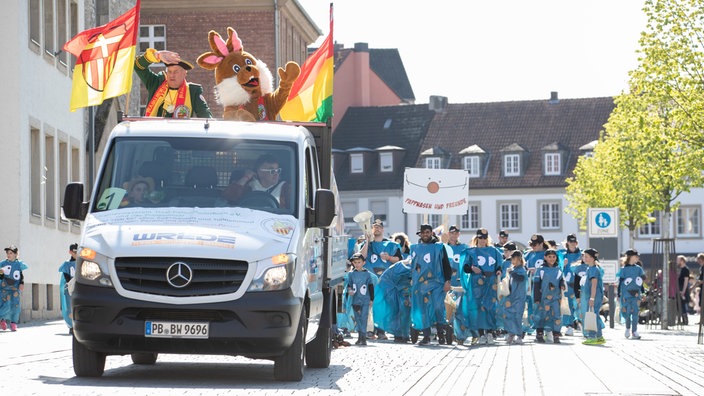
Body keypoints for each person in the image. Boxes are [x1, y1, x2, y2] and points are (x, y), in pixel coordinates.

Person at [134, 48, 212, 118]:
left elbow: (207, 119)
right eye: (169, 71)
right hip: (152, 133)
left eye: (176, 72)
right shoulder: (157, 82)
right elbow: (138, 67)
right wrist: (157, 55)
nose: (172, 75)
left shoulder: (193, 92)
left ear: (184, 73)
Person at [409, 224, 452, 345]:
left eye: (427, 232)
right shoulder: (415, 248)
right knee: (422, 309)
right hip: (420, 284)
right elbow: (412, 266)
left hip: (437, 282)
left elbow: (446, 265)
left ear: (431, 233)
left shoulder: (439, 248)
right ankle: (426, 336)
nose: (425, 234)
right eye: (423, 232)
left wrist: (447, 281)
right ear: (420, 234)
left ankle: (440, 333)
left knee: (438, 307)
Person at [465, 228, 504, 345]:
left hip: (491, 282)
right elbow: (465, 267)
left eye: (484, 238)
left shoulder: (494, 251)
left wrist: (498, 271)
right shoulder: (471, 252)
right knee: (478, 307)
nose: (482, 240)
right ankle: (481, 334)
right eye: (480, 238)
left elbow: (499, 265)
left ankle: (490, 332)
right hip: (477, 283)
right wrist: (472, 268)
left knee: (491, 307)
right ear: (477, 238)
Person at [223, 154, 291, 208]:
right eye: (272, 171)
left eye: (278, 170)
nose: (276, 174)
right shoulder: (249, 186)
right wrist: (246, 177)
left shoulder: (285, 188)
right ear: (260, 172)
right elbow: (229, 197)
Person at [531, 249, 566, 344]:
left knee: (556, 315)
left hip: (555, 297)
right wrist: (536, 298)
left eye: (554, 257)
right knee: (542, 315)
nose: (552, 259)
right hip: (543, 298)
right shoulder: (541, 270)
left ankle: (556, 335)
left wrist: (562, 285)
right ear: (545, 257)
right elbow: (536, 284)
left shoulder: (558, 269)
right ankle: (539, 334)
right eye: (549, 257)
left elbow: (561, 279)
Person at [445, 225, 470, 345]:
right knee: (447, 310)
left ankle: (459, 335)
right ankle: (448, 332)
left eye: (456, 233)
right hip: (447, 284)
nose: (454, 235)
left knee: (460, 310)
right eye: (452, 233)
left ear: (459, 234)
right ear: (448, 234)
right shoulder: (443, 248)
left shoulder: (464, 248)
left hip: (460, 284)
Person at [345, 253, 375, 346]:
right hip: (355, 300)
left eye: (359, 262)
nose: (357, 264)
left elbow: (370, 286)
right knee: (357, 318)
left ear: (364, 262)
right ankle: (360, 337)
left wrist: (371, 299)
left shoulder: (367, 274)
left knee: (364, 318)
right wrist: (349, 290)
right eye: (355, 262)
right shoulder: (351, 274)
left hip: (365, 299)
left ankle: (363, 338)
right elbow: (349, 285)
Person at [618, 249, 645, 339]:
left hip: (636, 295)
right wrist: (618, 294)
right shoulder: (623, 269)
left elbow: (640, 282)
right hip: (626, 295)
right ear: (630, 257)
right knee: (627, 313)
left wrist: (643, 293)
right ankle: (627, 328)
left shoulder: (639, 269)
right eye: (635, 256)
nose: (637, 258)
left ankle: (634, 331)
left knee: (636, 313)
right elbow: (620, 283)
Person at [0, 245, 28, 331]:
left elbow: (21, 275)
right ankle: (2, 320)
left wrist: (21, 283)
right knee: (5, 304)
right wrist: (1, 273)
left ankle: (13, 323)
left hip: (15, 289)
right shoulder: (3, 263)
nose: (8, 255)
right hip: (4, 289)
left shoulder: (18, 264)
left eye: (11, 253)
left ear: (15, 254)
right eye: (7, 253)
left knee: (15, 305)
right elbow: (1, 277)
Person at [503, 250, 528, 344]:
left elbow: (520, 278)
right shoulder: (513, 269)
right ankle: (511, 333)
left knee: (517, 316)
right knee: (510, 315)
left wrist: (511, 273)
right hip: (511, 297)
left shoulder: (521, 269)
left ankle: (519, 335)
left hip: (519, 297)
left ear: (519, 259)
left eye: (513, 259)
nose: (512, 261)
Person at [581, 248, 605, 345]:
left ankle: (592, 336)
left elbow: (594, 285)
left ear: (592, 258)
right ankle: (599, 337)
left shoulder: (594, 270)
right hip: (591, 297)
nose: (584, 258)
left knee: (592, 316)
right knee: (595, 315)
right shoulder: (589, 268)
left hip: (594, 297)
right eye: (584, 256)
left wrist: (592, 298)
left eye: (587, 256)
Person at [558, 233, 581, 336]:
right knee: (568, 305)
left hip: (579, 283)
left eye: (574, 242)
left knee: (579, 305)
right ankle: (569, 325)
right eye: (570, 242)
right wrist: (563, 264)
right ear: (567, 243)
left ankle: (579, 322)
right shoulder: (562, 255)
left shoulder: (581, 254)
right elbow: (557, 268)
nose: (572, 244)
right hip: (567, 283)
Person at [59, 243, 78, 333]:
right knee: (69, 307)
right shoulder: (67, 264)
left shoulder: (83, 263)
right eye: (75, 252)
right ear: (70, 252)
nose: (77, 253)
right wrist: (70, 284)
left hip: (79, 288)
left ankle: (78, 325)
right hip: (69, 288)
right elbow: (66, 276)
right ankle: (71, 326)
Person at [677, 255, 691, 325]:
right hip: (679, 289)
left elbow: (686, 281)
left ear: (682, 261)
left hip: (683, 290)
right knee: (679, 305)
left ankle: (685, 320)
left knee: (682, 304)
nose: (677, 261)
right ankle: (681, 320)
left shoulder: (685, 269)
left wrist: (683, 291)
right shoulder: (680, 269)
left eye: (678, 260)